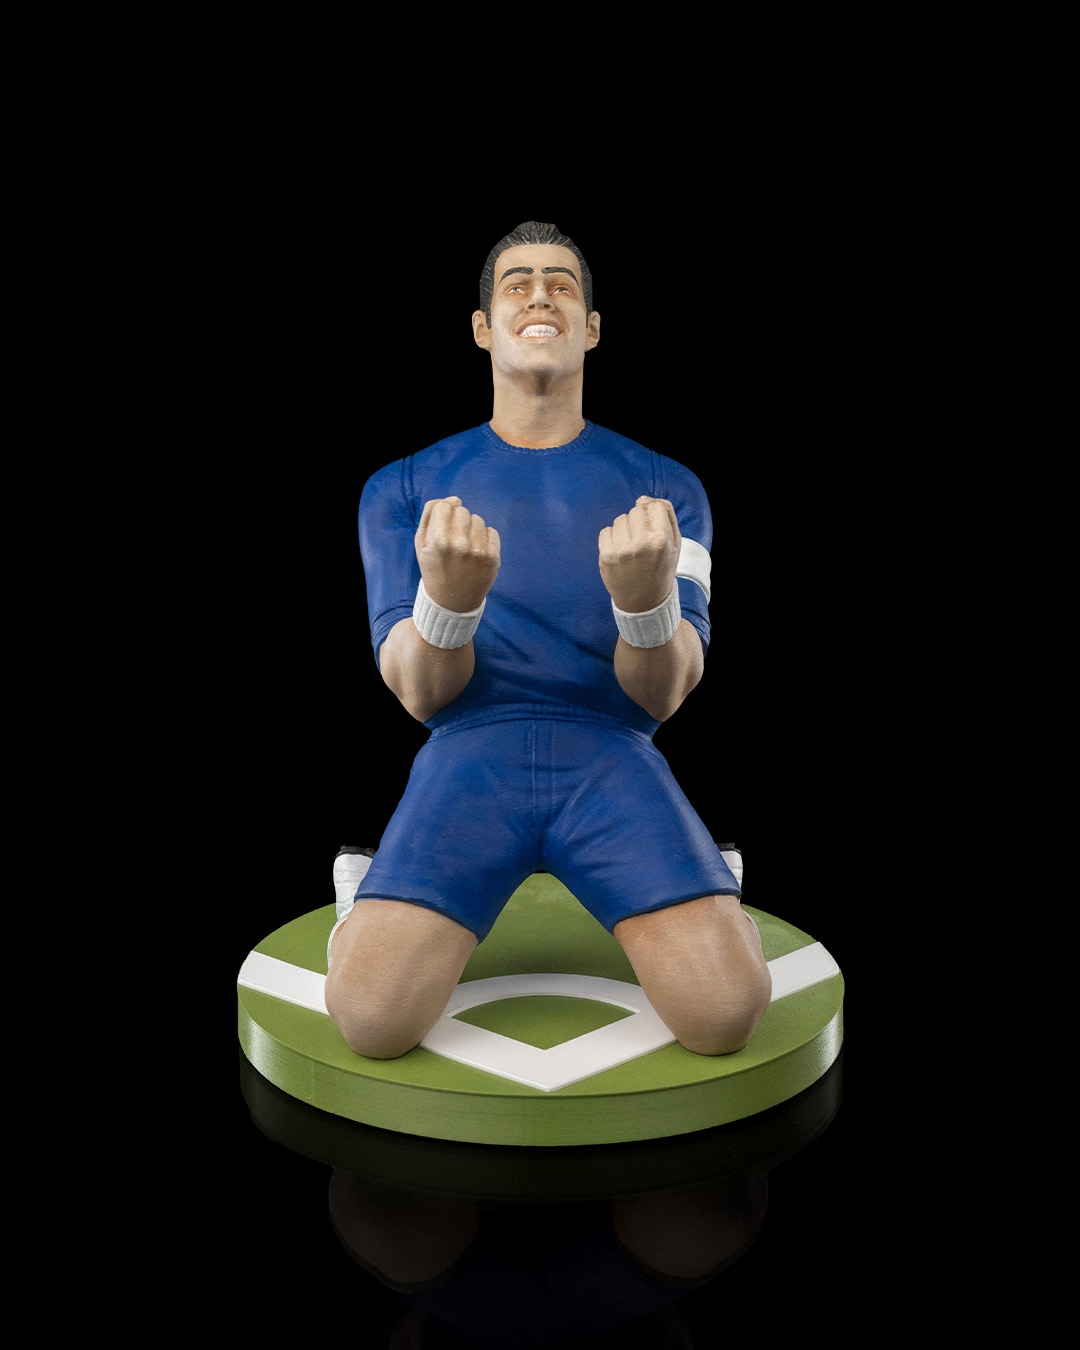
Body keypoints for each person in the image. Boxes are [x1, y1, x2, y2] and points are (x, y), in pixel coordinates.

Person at [325, 222, 771, 1060]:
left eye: (563, 285)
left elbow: (664, 692)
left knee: (725, 1015)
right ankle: (363, 898)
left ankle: (707, 874)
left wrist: (644, 603)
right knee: (373, 1023)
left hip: (612, 753)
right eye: (518, 283)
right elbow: (419, 694)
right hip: (470, 753)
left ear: (592, 328)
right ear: (482, 326)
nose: (540, 296)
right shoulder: (403, 488)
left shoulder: (667, 489)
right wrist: (450, 603)